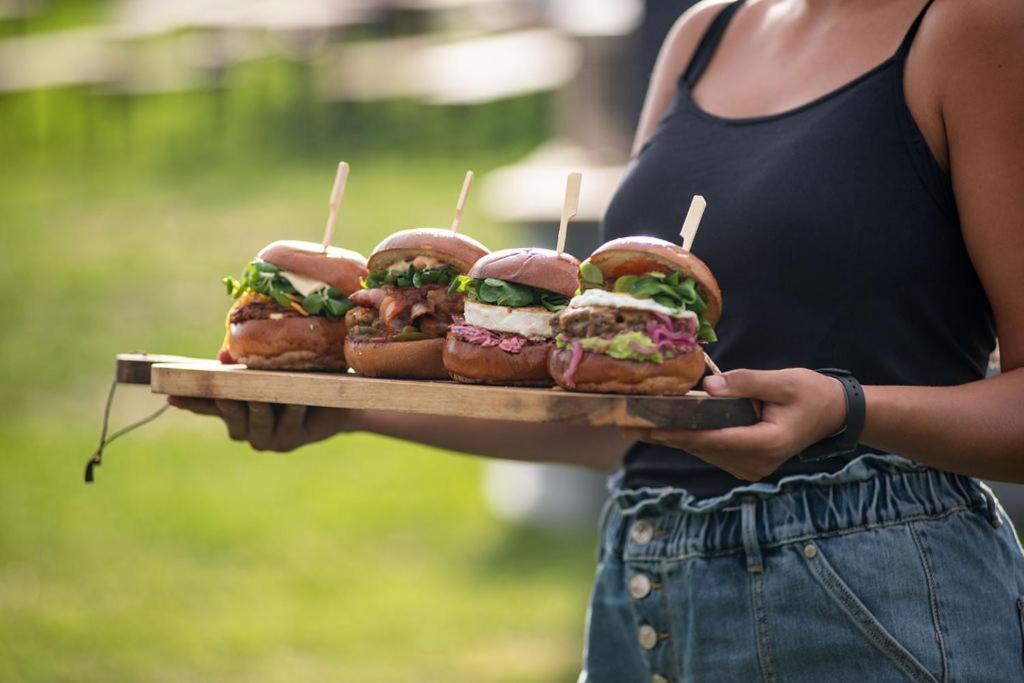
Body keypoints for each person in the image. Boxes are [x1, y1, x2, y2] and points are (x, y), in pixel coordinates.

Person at [169, 0, 1024, 679]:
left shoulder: (978, 28)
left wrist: (847, 409)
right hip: (641, 593)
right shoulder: (702, 34)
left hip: (868, 603)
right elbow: (607, 417)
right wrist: (345, 412)